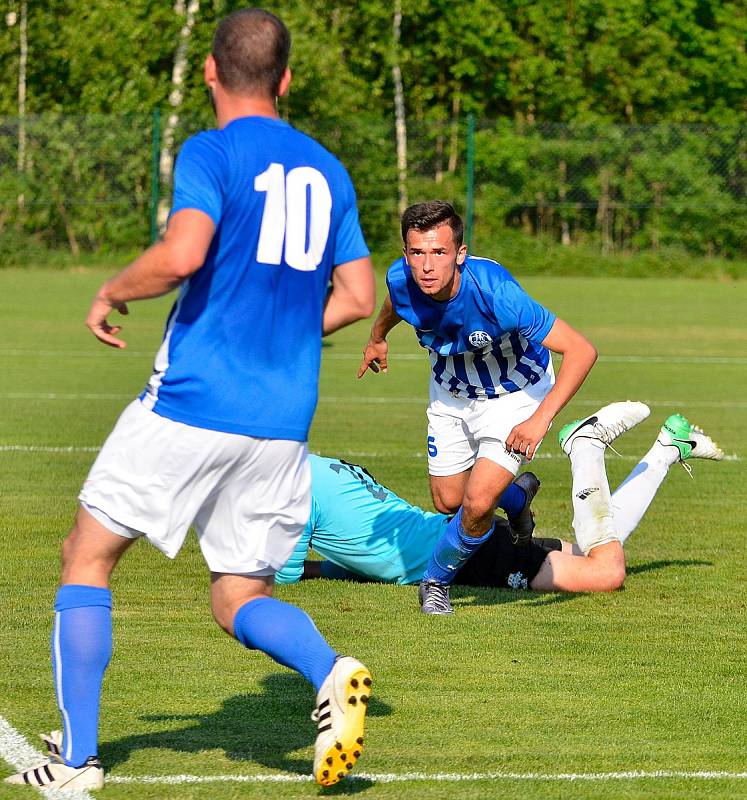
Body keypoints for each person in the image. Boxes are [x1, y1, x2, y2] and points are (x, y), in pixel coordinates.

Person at [6, 8, 375, 791]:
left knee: (88, 555)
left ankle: (75, 764)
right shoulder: (327, 168)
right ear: (286, 78)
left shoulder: (212, 151)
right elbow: (356, 293)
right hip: (280, 421)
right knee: (238, 593)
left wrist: (110, 289)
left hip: (193, 401)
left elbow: (182, 254)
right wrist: (281, 330)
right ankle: (329, 668)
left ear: (209, 72)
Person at [359, 200, 598, 614]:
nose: (427, 265)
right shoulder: (402, 279)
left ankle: (436, 580)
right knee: (449, 502)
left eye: (439, 252)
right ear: (405, 254)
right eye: (417, 253)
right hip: (451, 394)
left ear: (460, 254)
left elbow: (581, 350)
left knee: (477, 504)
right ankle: (517, 498)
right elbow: (395, 303)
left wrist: (540, 420)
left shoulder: (496, 292)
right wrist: (378, 336)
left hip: (515, 396)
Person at [274, 404, 723, 596]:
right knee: (594, 550)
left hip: (469, 557)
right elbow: (358, 548)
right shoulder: (318, 465)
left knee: (606, 572)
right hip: (464, 534)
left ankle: (586, 446)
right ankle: (667, 449)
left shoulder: (289, 488)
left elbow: (285, 577)